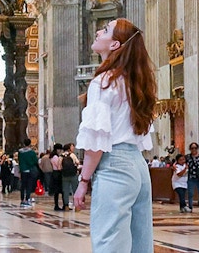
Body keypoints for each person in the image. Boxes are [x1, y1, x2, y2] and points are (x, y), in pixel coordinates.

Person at [73, 18, 157, 253]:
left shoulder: (103, 81)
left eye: (106, 30)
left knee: (109, 243)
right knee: (140, 245)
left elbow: (97, 141)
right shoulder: (135, 82)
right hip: (138, 167)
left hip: (115, 166)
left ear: (115, 45)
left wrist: (84, 181)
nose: (99, 31)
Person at [185, 142, 199, 213]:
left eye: (195, 148)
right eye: (192, 148)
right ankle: (190, 206)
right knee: (190, 193)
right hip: (191, 176)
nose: (194, 149)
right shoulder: (187, 157)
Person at [18, 138, 39, 208]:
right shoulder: (32, 152)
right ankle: (27, 199)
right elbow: (35, 161)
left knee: (23, 185)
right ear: (30, 144)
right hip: (30, 170)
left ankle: (22, 199)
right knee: (29, 185)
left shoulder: (20, 152)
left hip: (23, 170)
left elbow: (19, 161)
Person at [60, 143, 79, 210]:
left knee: (66, 190)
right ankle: (77, 206)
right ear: (69, 148)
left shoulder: (61, 156)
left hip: (64, 175)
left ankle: (66, 206)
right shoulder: (72, 155)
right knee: (75, 190)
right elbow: (78, 162)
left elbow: (59, 167)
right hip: (73, 174)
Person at [50, 143, 64, 211]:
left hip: (54, 173)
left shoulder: (53, 156)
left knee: (57, 191)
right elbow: (59, 166)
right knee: (58, 190)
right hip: (57, 173)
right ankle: (57, 205)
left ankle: (57, 205)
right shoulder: (55, 157)